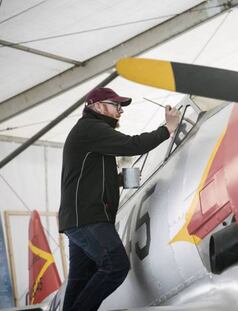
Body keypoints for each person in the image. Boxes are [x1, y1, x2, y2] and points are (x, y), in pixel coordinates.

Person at [58, 87, 180, 311]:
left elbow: (87, 176)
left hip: (77, 218)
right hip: (88, 217)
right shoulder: (91, 128)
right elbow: (133, 145)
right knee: (116, 266)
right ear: (97, 106)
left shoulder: (89, 132)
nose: (120, 111)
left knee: (80, 279)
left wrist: (119, 180)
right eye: (116, 105)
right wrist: (167, 129)